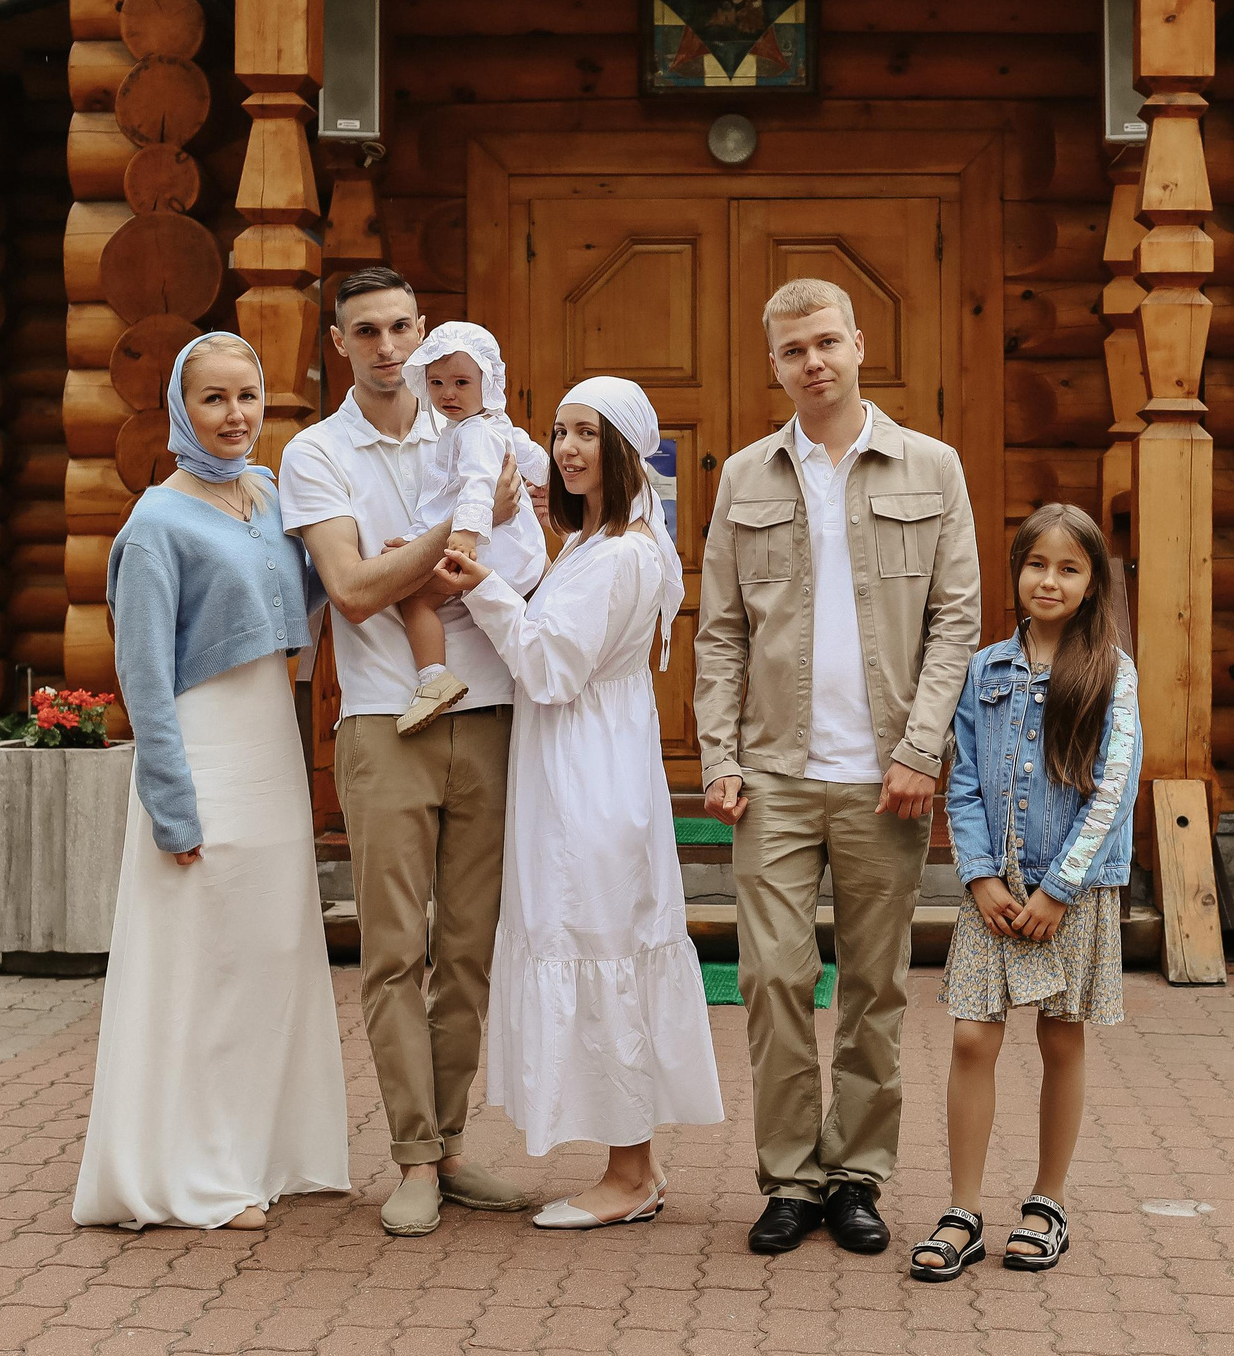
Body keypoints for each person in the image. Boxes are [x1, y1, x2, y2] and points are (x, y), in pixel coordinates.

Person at [695, 277, 983, 1257]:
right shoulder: (743, 478)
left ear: (860, 343)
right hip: (772, 777)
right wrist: (720, 753)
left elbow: (955, 621)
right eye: (791, 351)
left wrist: (919, 750)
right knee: (772, 979)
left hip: (884, 780)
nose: (811, 362)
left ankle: (856, 1175)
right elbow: (721, 632)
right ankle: (789, 1177)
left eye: (825, 342)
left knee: (872, 986)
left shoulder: (931, 468)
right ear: (772, 363)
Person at [280, 266, 542, 1237]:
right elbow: (352, 590)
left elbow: (529, 546)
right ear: (338, 344)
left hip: (488, 716)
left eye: (401, 328)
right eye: (366, 332)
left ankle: (455, 1147)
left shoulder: (473, 418)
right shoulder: (316, 453)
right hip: (385, 720)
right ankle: (413, 1158)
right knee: (395, 950)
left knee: (470, 949)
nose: (388, 348)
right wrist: (465, 517)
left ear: (425, 331)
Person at [428, 376, 724, 1229]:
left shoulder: (624, 552)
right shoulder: (596, 542)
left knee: (600, 947)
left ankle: (629, 1174)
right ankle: (638, 1164)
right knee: (605, 946)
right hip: (582, 762)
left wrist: (483, 586)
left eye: (587, 433)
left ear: (625, 449)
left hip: (587, 774)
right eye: (560, 432)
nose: (567, 448)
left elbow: (551, 669)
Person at [72, 333, 349, 1230]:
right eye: (215, 399)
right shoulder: (153, 525)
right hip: (204, 755)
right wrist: (171, 804)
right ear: (180, 409)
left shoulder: (267, 494)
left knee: (269, 955)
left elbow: (314, 591)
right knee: (204, 967)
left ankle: (267, 1151)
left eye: (249, 397)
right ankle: (192, 1168)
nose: (236, 416)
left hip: (270, 746)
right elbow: (143, 679)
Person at [909, 504, 1141, 1282]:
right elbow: (964, 778)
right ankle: (964, 1208)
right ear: (1016, 571)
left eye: (1069, 567)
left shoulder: (1111, 670)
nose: (1050, 579)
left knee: (1060, 1035)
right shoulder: (985, 670)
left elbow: (1113, 789)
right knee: (974, 1036)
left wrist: (1059, 889)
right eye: (1036, 563)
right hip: (992, 890)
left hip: (1068, 892)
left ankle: (1048, 1200)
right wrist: (975, 873)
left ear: (1092, 581)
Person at [392, 321, 552, 735]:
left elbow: (479, 486)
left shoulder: (477, 433)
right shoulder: (496, 425)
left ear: (489, 382)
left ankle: (433, 679)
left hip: (487, 546)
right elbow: (537, 462)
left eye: (462, 382)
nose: (448, 393)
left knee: (413, 598)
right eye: (437, 382)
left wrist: (463, 536)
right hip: (509, 549)